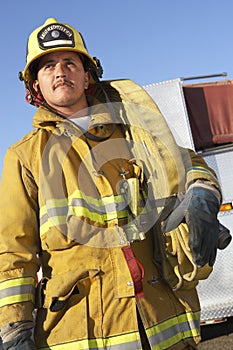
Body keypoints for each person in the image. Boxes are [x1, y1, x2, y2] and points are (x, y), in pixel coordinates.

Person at [0, 18, 223, 350]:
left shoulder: (133, 133)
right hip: (80, 335)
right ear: (34, 86)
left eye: (69, 62)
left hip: (162, 327)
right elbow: (13, 251)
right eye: (47, 66)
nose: (60, 71)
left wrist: (202, 192)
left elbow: (189, 163)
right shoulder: (25, 157)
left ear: (87, 75)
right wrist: (15, 329)